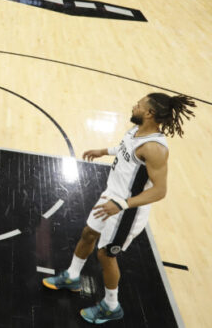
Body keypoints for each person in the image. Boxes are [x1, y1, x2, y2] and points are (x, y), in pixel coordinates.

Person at [42, 93, 196, 324]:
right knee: (88, 233)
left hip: (127, 211)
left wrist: (122, 204)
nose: (134, 106)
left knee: (105, 255)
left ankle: (111, 306)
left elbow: (160, 191)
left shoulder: (155, 148)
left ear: (149, 113)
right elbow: (125, 149)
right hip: (111, 197)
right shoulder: (136, 131)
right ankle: (73, 276)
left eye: (139, 105)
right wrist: (104, 151)